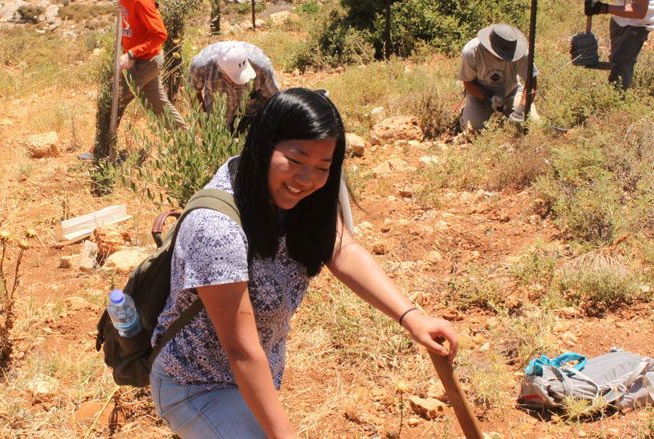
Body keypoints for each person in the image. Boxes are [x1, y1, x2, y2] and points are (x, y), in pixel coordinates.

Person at [149, 88, 460, 438]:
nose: (306, 179)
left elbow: (341, 248)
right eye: (295, 161)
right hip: (196, 383)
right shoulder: (216, 228)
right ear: (266, 145)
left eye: (322, 167)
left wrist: (412, 317)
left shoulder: (296, 198)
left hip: (253, 374)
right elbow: (241, 349)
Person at [80, 0, 186, 161]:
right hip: (141, 60)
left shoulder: (141, 1)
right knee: (158, 102)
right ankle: (185, 140)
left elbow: (160, 34)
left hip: (145, 61)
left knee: (113, 100)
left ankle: (101, 150)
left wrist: (132, 54)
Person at [458, 23, 540, 132]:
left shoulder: (521, 53)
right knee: (474, 128)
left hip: (512, 92)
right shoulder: (472, 52)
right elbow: (468, 82)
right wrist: (489, 97)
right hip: (480, 95)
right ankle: (468, 111)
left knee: (531, 125)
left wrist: (522, 108)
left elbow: (531, 80)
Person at [188, 41, 281, 134]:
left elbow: (274, 98)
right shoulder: (201, 67)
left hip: (252, 112)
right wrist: (203, 121)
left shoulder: (262, 67)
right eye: (234, 79)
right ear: (221, 71)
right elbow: (193, 92)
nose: (240, 84)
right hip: (218, 114)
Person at [585, 0, 653, 89]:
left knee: (621, 61)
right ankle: (615, 93)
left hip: (639, 23)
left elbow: (639, 11)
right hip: (618, 19)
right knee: (616, 60)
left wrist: (603, 8)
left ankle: (617, 99)